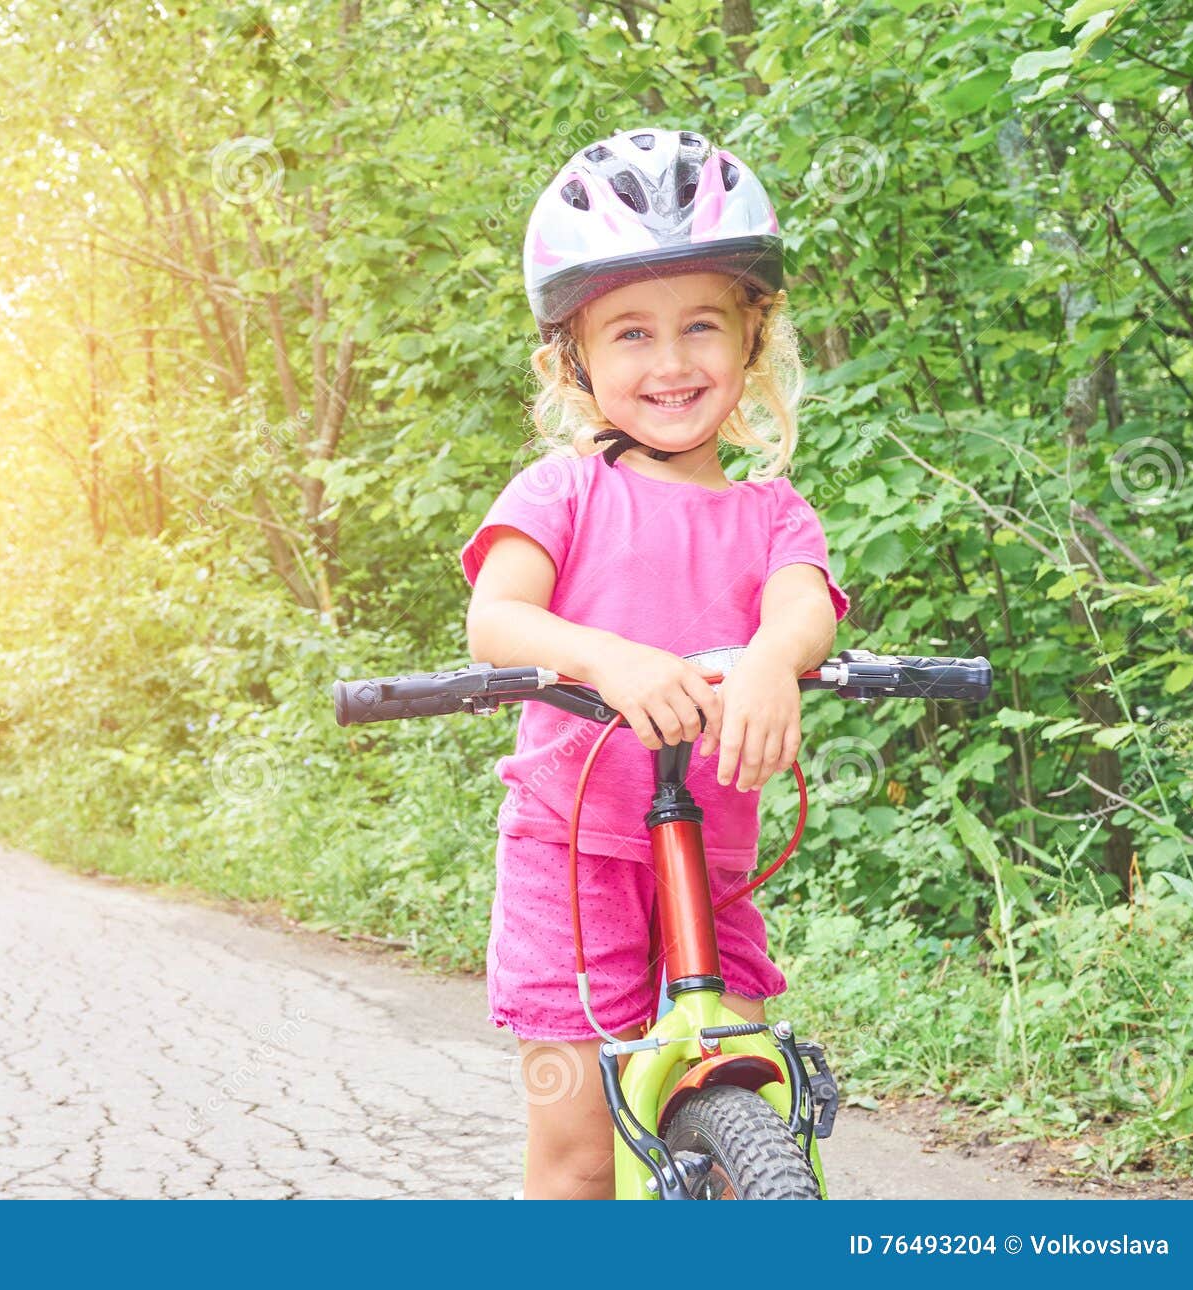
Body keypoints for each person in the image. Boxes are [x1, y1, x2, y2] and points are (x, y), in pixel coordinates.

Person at [459, 128, 851, 1200]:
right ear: (575, 358)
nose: (670, 362)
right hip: (570, 860)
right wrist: (611, 661)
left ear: (752, 335)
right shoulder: (563, 491)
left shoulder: (772, 510)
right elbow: (498, 619)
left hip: (709, 868)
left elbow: (803, 604)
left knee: (743, 1099)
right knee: (580, 1144)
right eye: (631, 333)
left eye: (700, 327)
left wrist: (774, 658)